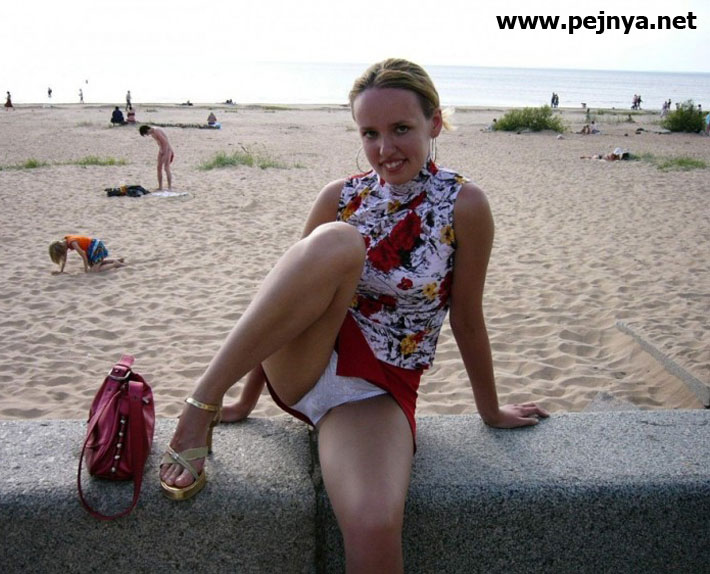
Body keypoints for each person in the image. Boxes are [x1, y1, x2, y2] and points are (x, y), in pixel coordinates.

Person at [158, 58, 549, 571]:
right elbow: (281, 306)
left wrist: (490, 411)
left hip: (378, 388)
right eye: (370, 133)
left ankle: (211, 403)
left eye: (401, 129)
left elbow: (467, 318)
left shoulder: (465, 204)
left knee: (373, 523)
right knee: (339, 241)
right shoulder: (340, 196)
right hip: (303, 363)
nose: (385, 148)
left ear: (434, 123)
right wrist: (244, 399)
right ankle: (199, 405)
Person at [49, 235, 125, 274]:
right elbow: (64, 259)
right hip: (93, 247)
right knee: (95, 264)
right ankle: (116, 260)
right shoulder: (65, 241)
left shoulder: (73, 243)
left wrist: (86, 270)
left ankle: (114, 264)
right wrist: (61, 271)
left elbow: (83, 256)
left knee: (94, 271)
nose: (64, 253)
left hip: (95, 247)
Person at [139, 124, 174, 190]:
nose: (147, 135)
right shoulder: (152, 133)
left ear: (147, 129)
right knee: (159, 168)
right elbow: (160, 143)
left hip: (167, 150)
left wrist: (165, 153)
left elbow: (165, 143)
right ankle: (160, 186)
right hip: (161, 150)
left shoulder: (156, 131)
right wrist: (161, 151)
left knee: (166, 168)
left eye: (146, 133)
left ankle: (169, 187)